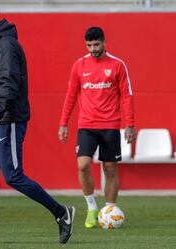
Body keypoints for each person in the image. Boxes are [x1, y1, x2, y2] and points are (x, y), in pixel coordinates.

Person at [0, 4, 75, 245]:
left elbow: (9, 85)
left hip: (6, 121)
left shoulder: (7, 46)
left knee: (13, 176)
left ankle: (61, 213)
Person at [58, 27, 135, 229]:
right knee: (83, 165)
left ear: (104, 42)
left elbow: (127, 96)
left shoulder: (118, 65)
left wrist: (130, 124)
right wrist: (63, 123)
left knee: (110, 169)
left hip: (110, 125)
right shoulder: (79, 66)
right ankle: (92, 207)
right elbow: (71, 96)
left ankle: (109, 211)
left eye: (96, 44)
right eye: (89, 45)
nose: (93, 49)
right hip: (87, 126)